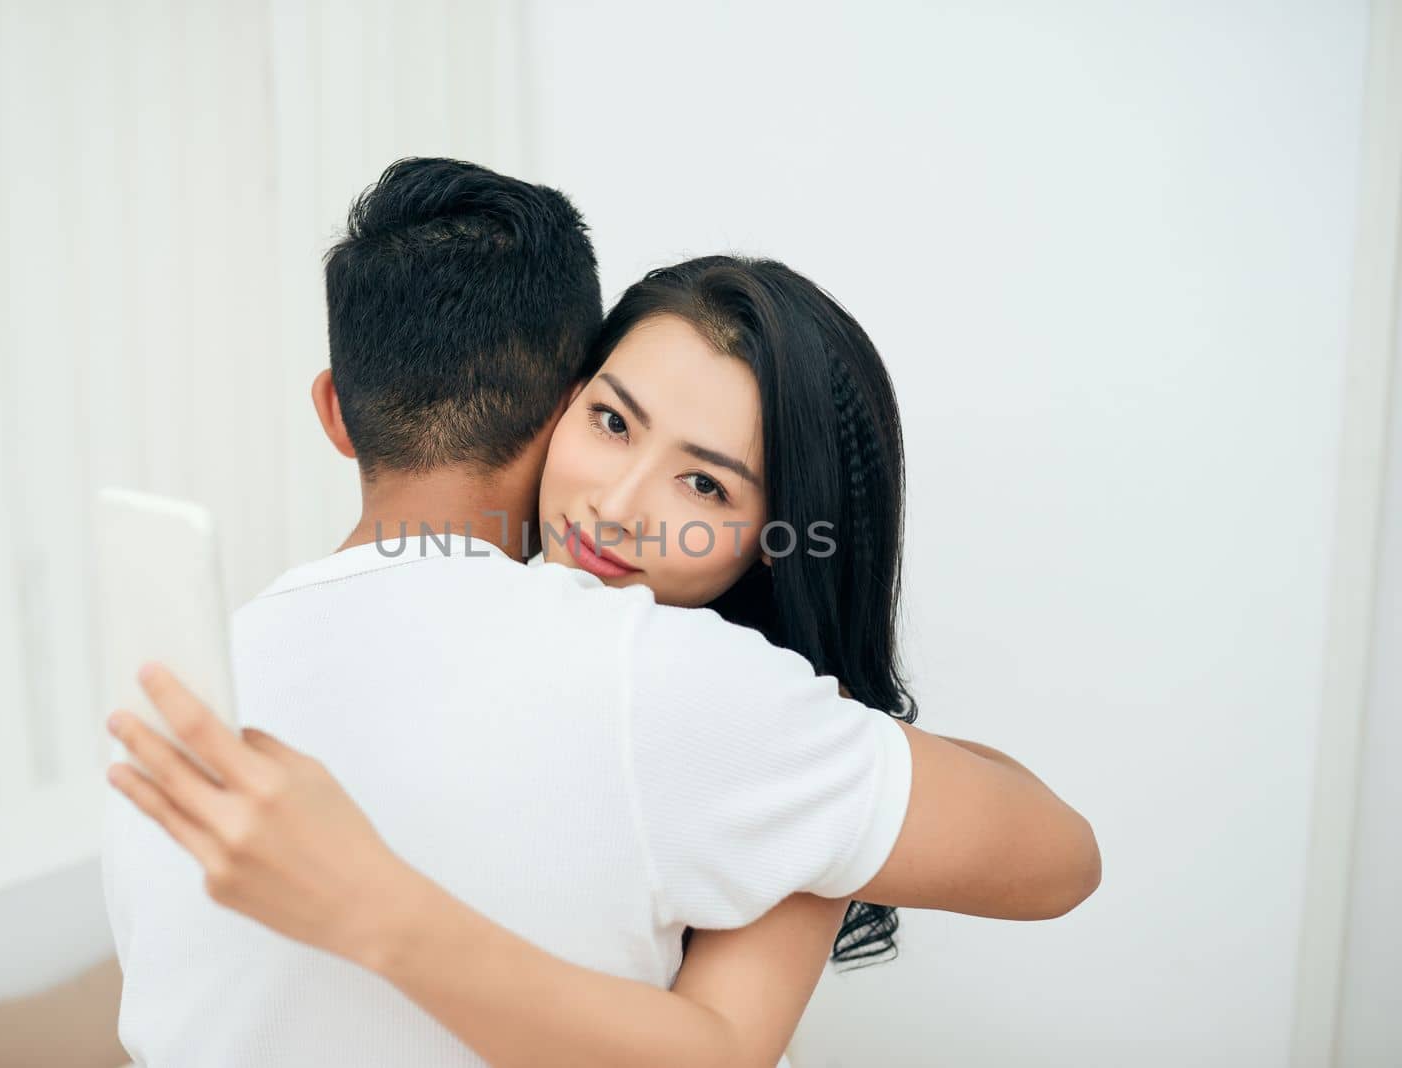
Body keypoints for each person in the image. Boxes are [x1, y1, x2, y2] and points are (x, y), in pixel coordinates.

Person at [103, 158, 1101, 1068]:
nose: (620, 511)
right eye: (613, 422)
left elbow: (1058, 857)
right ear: (554, 406)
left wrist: (810, 771)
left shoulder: (202, 673)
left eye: (705, 488)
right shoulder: (700, 707)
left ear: (776, 533)